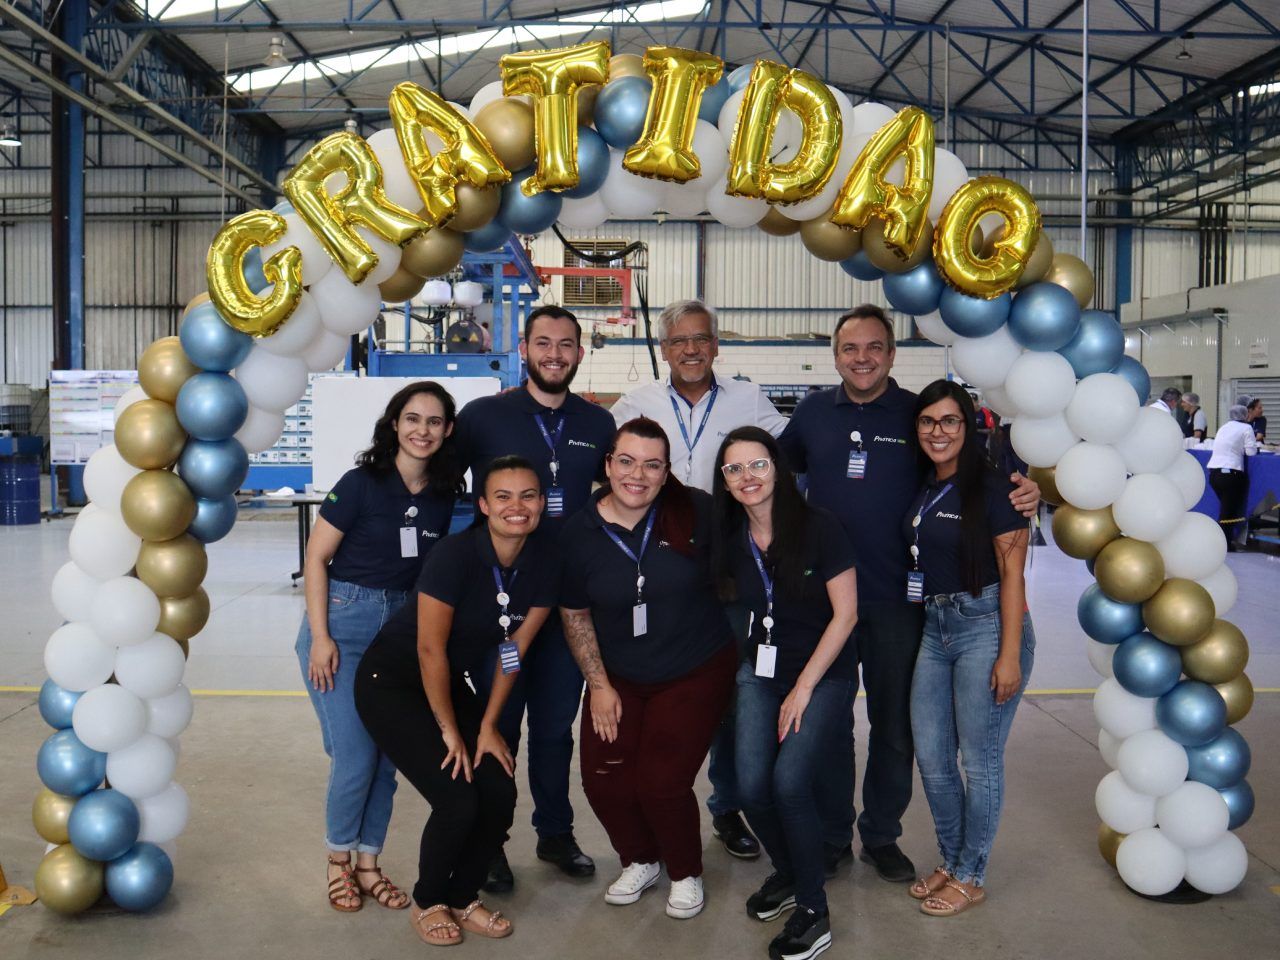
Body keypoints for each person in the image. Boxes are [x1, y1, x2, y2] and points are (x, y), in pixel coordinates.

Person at [778, 305, 1039, 885]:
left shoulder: (917, 414)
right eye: (850, 349)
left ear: (892, 355)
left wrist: (1027, 486)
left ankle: (881, 835)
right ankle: (830, 835)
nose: (862, 358)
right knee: (829, 725)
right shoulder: (813, 413)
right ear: (835, 355)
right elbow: (771, 478)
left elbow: (965, 471)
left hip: (902, 601)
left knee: (896, 727)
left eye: (874, 347)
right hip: (825, 604)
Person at [610, 299, 787, 860]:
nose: (690, 349)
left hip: (730, 573)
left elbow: (792, 459)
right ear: (663, 350)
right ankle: (659, 803)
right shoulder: (633, 405)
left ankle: (726, 807)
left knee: (729, 699)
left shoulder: (748, 399)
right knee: (661, 694)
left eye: (700, 339)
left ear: (716, 345)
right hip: (658, 574)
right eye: (678, 341)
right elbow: (607, 477)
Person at [354, 457, 558, 944]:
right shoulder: (454, 556)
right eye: (503, 497)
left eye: (528, 495)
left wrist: (488, 724)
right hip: (393, 682)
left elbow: (514, 651)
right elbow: (429, 649)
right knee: (457, 796)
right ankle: (428, 901)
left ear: (542, 503)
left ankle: (464, 895)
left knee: (499, 788)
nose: (517, 506)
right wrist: (450, 728)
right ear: (483, 505)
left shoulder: (545, 565)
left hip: (450, 684)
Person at [452, 304, 616, 889]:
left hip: (566, 605)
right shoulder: (481, 416)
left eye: (566, 344)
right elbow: (440, 487)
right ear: (523, 348)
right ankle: (491, 843)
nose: (554, 354)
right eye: (543, 343)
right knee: (499, 726)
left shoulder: (598, 425)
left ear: (579, 351)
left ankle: (555, 834)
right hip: (498, 605)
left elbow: (624, 494)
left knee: (552, 730)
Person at [559, 418, 738, 920]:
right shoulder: (579, 530)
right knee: (603, 777)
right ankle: (640, 859)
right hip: (619, 676)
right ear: (608, 463)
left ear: (666, 473)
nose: (637, 474)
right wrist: (598, 685)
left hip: (694, 667)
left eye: (652, 465)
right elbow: (574, 613)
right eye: (627, 461)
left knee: (661, 781)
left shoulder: (696, 511)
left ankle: (685, 871)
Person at [297, 381, 462, 913]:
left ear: (448, 430)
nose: (422, 430)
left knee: (388, 758)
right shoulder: (361, 483)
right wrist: (321, 637)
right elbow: (316, 558)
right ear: (395, 424)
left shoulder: (443, 494)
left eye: (434, 422)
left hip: (401, 633)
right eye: (412, 419)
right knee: (354, 754)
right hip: (342, 624)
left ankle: (369, 863)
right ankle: (338, 863)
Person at [711, 427, 858, 960]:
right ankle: (791, 873)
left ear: (778, 468)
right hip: (762, 671)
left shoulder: (820, 527)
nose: (747, 477)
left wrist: (803, 688)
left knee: (790, 781)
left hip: (825, 673)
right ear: (724, 483)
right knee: (752, 787)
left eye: (757, 465)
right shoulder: (731, 539)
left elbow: (846, 615)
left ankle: (814, 912)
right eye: (734, 470)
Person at [905, 380, 1034, 917]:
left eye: (950, 421)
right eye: (929, 421)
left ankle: (972, 873)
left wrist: (1008, 654)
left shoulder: (999, 488)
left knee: (978, 762)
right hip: (935, 627)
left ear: (969, 425)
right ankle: (952, 857)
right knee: (933, 758)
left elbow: (1012, 576)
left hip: (986, 626)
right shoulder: (923, 484)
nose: (939, 431)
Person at [1207, 405, 1259, 551]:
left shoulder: (1224, 427)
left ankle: (1224, 541)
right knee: (1228, 512)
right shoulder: (1246, 428)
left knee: (1225, 509)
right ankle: (1225, 544)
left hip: (1214, 473)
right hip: (1231, 474)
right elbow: (1251, 452)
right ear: (1245, 415)